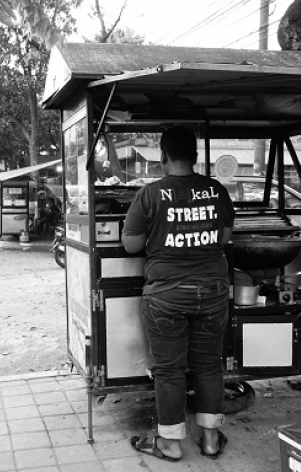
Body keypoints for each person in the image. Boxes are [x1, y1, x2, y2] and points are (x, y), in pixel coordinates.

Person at [121, 127, 235, 462]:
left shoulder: (150, 194)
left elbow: (131, 244)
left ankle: (170, 444)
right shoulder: (216, 190)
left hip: (167, 295)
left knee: (170, 371)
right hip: (213, 293)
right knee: (209, 366)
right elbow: (224, 236)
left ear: (163, 157)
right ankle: (211, 440)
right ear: (196, 156)